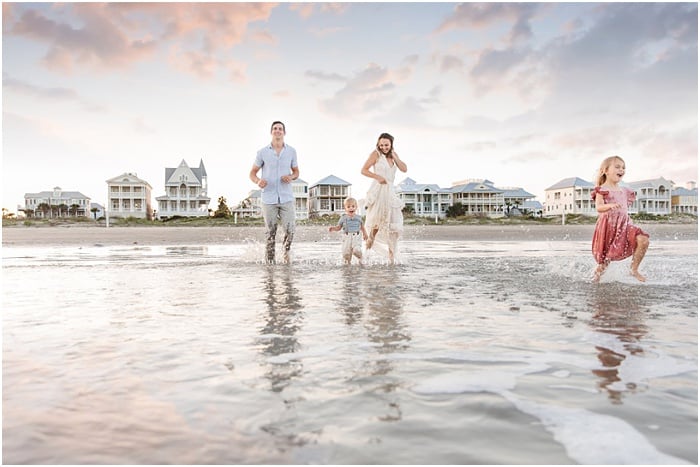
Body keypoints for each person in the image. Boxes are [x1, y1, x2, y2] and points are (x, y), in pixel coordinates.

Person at [591, 155, 650, 283]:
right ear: (605, 171)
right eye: (617, 167)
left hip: (625, 225)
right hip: (609, 227)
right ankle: (594, 279)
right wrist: (610, 205)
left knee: (643, 240)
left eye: (623, 168)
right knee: (605, 261)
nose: (621, 170)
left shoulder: (625, 190)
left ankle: (634, 269)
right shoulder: (602, 190)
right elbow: (599, 207)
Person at [249, 121, 299, 263]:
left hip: (286, 197)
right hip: (268, 198)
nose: (278, 131)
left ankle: (285, 253)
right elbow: (252, 173)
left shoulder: (291, 151)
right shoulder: (262, 152)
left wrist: (290, 177)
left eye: (280, 129)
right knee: (270, 232)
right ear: (271, 132)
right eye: (275, 129)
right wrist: (258, 181)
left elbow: (296, 172)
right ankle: (270, 263)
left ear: (284, 132)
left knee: (290, 230)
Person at [361, 132, 407, 263]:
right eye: (381, 145)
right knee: (376, 225)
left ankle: (392, 258)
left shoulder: (394, 154)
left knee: (393, 225)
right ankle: (366, 255)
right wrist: (377, 177)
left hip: (390, 191)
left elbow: (404, 169)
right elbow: (363, 170)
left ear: (391, 144)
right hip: (379, 190)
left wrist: (395, 157)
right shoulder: (375, 154)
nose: (383, 147)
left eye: (386, 145)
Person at [328, 197, 369, 264]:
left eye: (353, 206)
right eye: (348, 207)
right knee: (346, 255)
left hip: (356, 236)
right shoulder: (343, 217)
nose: (351, 208)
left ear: (356, 207)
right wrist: (334, 228)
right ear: (345, 208)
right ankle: (348, 268)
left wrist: (365, 234)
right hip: (346, 237)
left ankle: (361, 258)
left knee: (356, 250)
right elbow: (339, 227)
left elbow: (362, 227)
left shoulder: (358, 218)